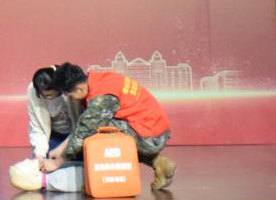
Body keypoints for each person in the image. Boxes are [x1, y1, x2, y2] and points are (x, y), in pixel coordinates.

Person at [43, 64, 176, 191]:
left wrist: (56, 163)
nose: (72, 99)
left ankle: (104, 179)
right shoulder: (100, 79)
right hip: (155, 128)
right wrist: (60, 148)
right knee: (93, 123)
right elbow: (83, 127)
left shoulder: (101, 98)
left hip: (150, 136)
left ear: (79, 89)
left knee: (97, 131)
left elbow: (83, 132)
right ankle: (159, 163)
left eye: (70, 96)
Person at [27, 64, 83, 159]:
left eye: (50, 95)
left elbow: (84, 125)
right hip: (55, 136)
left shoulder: (69, 87)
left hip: (76, 134)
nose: (46, 98)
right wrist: (40, 154)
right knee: (49, 157)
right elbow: (38, 128)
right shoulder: (33, 92)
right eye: (43, 95)